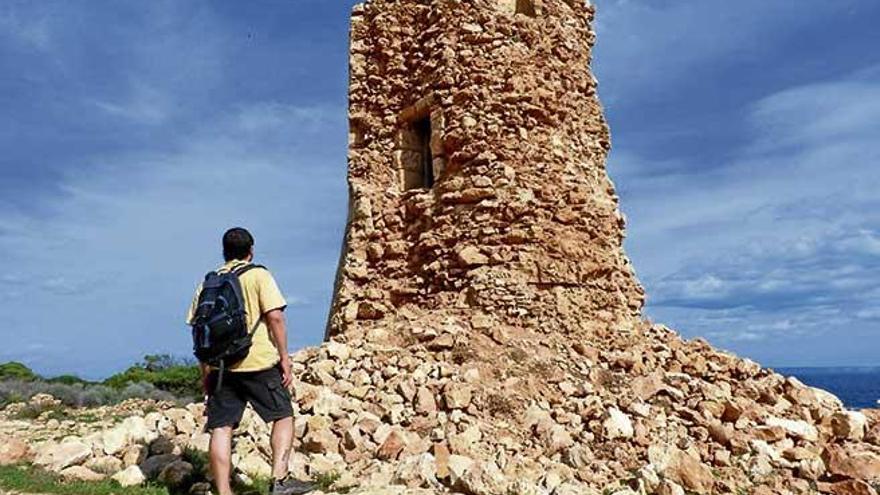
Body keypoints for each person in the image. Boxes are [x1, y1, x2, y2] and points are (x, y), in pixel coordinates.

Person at [187, 227, 314, 495]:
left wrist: (206, 375)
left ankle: (223, 491)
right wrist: (284, 358)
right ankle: (279, 481)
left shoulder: (208, 282)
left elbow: (199, 331)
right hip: (257, 363)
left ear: (224, 251)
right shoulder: (258, 275)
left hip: (221, 368)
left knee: (221, 428)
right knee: (283, 416)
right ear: (251, 250)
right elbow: (275, 317)